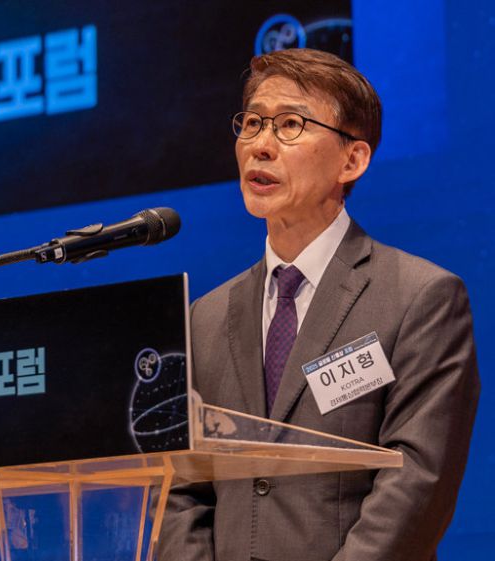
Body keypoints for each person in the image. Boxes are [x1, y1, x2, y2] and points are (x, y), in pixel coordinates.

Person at [158, 48, 480, 561]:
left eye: (290, 125)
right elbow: (182, 490)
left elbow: (418, 481)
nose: (261, 146)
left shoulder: (421, 297)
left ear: (353, 160)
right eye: (253, 123)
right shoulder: (206, 316)